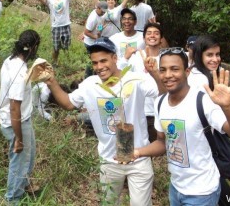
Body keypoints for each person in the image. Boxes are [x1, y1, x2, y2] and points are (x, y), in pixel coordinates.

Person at [44, 37, 164, 205]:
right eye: (95, 63)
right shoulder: (90, 84)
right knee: (109, 202)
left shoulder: (134, 79)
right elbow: (69, 103)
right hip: (109, 160)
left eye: (103, 61)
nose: (99, 67)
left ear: (115, 58)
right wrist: (52, 82)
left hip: (138, 158)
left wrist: (155, 74)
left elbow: (162, 92)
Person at [133, 47, 230, 206]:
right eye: (163, 70)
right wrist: (138, 152)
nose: (168, 75)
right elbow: (162, 142)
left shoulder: (202, 101)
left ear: (187, 72)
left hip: (202, 192)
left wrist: (227, 107)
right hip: (176, 188)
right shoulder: (160, 103)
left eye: (174, 69)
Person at [186, 34, 230, 206]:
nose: (215, 59)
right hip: (205, 140)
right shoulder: (200, 79)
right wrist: (228, 110)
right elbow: (207, 110)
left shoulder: (202, 74)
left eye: (217, 54)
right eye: (209, 55)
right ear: (199, 55)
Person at [0, 30, 41, 204]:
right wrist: (19, 138)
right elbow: (14, 108)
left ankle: (23, 185)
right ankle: (12, 199)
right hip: (16, 122)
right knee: (20, 160)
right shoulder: (20, 74)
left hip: (21, 118)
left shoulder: (11, 60)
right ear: (33, 48)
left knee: (29, 156)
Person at [34, 0, 82, 66]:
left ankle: (67, 62)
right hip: (55, 27)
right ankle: (54, 62)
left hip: (66, 25)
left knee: (66, 46)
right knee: (56, 47)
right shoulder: (50, 0)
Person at [128, 22, 164, 141]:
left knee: (159, 146)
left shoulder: (167, 59)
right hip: (140, 110)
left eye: (156, 33)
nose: (152, 36)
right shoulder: (135, 57)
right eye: (149, 33)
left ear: (161, 39)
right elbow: (125, 79)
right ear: (144, 38)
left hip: (160, 110)